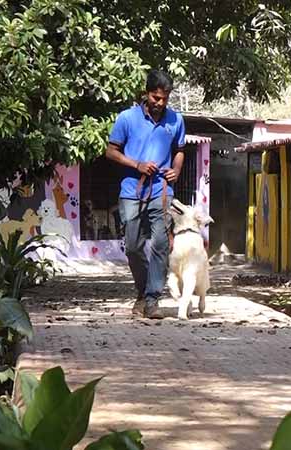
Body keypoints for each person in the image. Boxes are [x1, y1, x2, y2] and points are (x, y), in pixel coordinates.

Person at [105, 70, 185, 318]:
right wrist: (136, 165)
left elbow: (180, 149)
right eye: (155, 97)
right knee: (133, 247)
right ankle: (143, 291)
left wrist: (177, 169)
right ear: (146, 93)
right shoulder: (126, 118)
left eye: (164, 98)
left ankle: (152, 300)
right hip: (132, 190)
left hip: (162, 191)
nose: (160, 103)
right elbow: (110, 151)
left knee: (161, 244)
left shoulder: (176, 120)